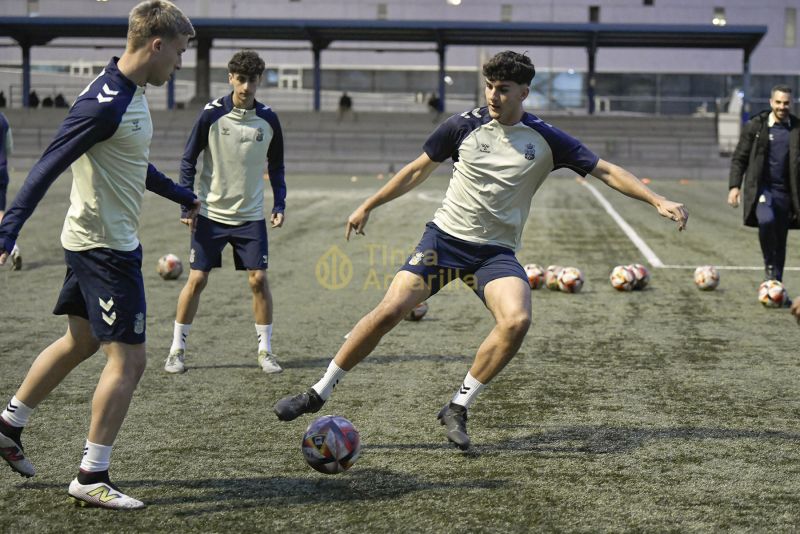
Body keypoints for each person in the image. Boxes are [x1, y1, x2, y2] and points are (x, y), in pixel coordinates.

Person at [273, 50, 689, 450]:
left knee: (517, 319)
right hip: (444, 242)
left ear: (524, 92)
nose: (493, 95)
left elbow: (605, 170)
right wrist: (369, 204)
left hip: (493, 254)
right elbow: (416, 169)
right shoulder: (461, 126)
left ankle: (458, 406)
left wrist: (658, 201)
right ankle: (318, 393)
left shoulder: (546, 138)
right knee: (390, 310)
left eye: (503, 88)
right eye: (489, 86)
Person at [0, 0, 197, 509]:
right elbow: (47, 164)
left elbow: (132, 161)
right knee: (130, 361)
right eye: (178, 52)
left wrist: (181, 195)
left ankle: (7, 424)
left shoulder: (127, 91)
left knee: (80, 340)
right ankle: (92, 475)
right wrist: (8, 230)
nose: (179, 63)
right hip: (105, 250)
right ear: (156, 45)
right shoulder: (104, 103)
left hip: (94, 240)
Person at [164, 50, 286, 375]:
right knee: (197, 279)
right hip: (211, 214)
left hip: (250, 217)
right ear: (230, 78)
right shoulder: (210, 115)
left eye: (252, 80)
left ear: (259, 80)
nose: (246, 86)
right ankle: (176, 349)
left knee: (259, 280)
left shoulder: (270, 119)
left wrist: (280, 203)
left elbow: (277, 166)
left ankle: (265, 352)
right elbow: (188, 160)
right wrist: (187, 202)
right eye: (240, 79)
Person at [729, 84, 800, 291]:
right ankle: (769, 266)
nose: (782, 106)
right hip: (763, 191)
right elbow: (739, 158)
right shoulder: (756, 126)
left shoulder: (797, 129)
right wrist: (734, 186)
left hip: (787, 194)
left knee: (781, 238)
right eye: (778, 102)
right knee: (766, 220)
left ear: (791, 104)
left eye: (786, 103)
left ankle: (775, 282)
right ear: (771, 103)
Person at [0, 111, 20, 270]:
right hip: (2, 170)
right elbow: (10, 148)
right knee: (0, 213)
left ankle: (11, 248)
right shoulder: (4, 120)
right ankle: (13, 248)